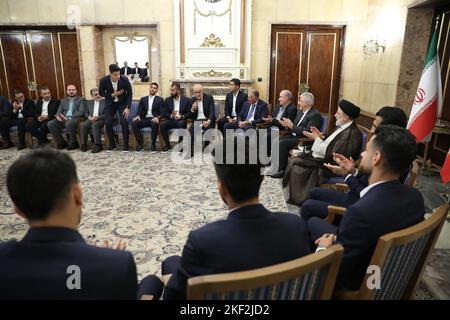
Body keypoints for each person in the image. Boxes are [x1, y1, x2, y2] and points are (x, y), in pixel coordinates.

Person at [146, 138, 311, 299]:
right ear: (261, 179)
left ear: (221, 189)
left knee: (168, 265)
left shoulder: (202, 242)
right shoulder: (296, 225)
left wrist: (171, 283)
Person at [0, 149, 162, 299]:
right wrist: (105, 259)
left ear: (17, 209)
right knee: (151, 282)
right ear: (77, 194)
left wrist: (100, 258)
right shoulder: (118, 264)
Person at [307, 125, 424, 291]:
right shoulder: (416, 197)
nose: (362, 154)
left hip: (361, 283)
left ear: (376, 158)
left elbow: (338, 272)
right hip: (387, 276)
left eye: (366, 151)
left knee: (310, 225)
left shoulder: (360, 213)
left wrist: (323, 249)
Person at [301, 106, 408, 222]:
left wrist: (347, 175)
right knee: (313, 192)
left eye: (375, 127)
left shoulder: (388, 159)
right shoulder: (390, 152)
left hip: (357, 207)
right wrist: (353, 171)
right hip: (355, 196)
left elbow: (368, 194)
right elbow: (368, 183)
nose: (372, 131)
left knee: (308, 209)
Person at [281, 99, 363, 205]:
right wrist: (321, 136)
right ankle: (296, 192)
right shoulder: (342, 127)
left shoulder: (350, 134)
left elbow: (333, 155)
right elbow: (331, 141)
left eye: (337, 113)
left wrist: (317, 139)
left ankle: (301, 197)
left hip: (329, 165)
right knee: (295, 160)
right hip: (323, 156)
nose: (334, 115)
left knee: (296, 163)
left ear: (346, 117)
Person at [270, 92, 322, 178]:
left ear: (307, 103)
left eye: (300, 101)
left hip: (303, 140)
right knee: (277, 139)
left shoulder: (315, 115)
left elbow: (307, 131)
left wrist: (291, 126)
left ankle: (281, 170)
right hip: (294, 135)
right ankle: (276, 166)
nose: (298, 103)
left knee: (282, 143)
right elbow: (295, 125)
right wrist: (287, 124)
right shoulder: (300, 111)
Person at [99, 64, 133, 152]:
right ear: (110, 74)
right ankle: (112, 144)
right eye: (115, 75)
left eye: (119, 74)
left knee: (123, 121)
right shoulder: (104, 80)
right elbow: (101, 93)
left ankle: (126, 145)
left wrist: (127, 107)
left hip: (122, 103)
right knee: (107, 122)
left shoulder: (124, 79)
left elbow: (129, 94)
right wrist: (112, 95)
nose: (118, 76)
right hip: (110, 104)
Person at [47, 84, 86, 150]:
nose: (71, 91)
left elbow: (81, 112)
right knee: (50, 123)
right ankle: (61, 142)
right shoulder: (63, 100)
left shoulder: (81, 100)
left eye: (73, 90)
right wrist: (58, 116)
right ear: (67, 91)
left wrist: (69, 116)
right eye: (69, 90)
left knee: (69, 123)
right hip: (63, 119)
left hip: (75, 119)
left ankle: (73, 142)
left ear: (76, 91)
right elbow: (59, 111)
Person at [132, 82, 164, 153]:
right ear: (149, 88)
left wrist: (158, 117)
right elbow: (139, 111)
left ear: (157, 90)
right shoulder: (143, 99)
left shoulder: (160, 100)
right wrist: (138, 116)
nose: (153, 89)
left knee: (154, 123)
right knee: (134, 123)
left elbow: (162, 113)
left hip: (153, 118)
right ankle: (140, 143)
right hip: (144, 119)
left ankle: (153, 144)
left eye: (155, 88)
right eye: (151, 87)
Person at [160, 82, 191, 152]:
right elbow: (164, 113)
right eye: (171, 90)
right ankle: (167, 145)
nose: (171, 92)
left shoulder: (186, 100)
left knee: (181, 124)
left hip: (181, 120)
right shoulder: (167, 100)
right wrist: (171, 115)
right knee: (162, 124)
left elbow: (189, 113)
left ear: (178, 90)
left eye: (173, 90)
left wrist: (182, 116)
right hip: (171, 119)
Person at [187, 84, 216, 155]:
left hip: (207, 119)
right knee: (192, 129)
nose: (197, 94)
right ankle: (190, 150)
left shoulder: (209, 98)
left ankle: (206, 147)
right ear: (193, 93)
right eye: (195, 92)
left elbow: (212, 111)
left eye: (199, 92)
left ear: (202, 91)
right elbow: (190, 116)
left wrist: (209, 121)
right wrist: (193, 109)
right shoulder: (191, 100)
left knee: (208, 128)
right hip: (197, 121)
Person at [79, 88, 106, 153]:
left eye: (99, 94)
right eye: (96, 94)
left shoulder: (105, 102)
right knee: (83, 125)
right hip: (91, 119)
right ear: (92, 96)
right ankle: (84, 144)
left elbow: (107, 114)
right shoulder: (88, 102)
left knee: (95, 125)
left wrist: (97, 118)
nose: (98, 95)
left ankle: (98, 145)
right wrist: (89, 117)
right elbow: (85, 113)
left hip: (101, 119)